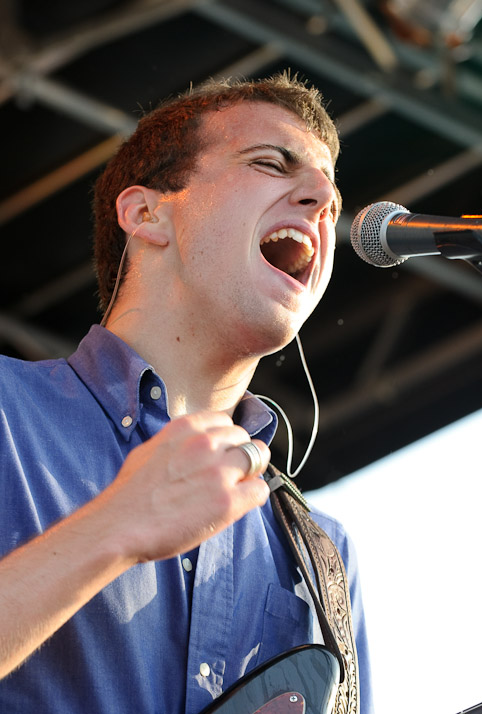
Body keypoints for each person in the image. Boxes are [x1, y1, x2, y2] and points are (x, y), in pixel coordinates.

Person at [0, 74, 373, 713]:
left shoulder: (324, 558)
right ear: (146, 213)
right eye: (271, 164)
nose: (321, 198)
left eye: (331, 196)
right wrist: (115, 527)